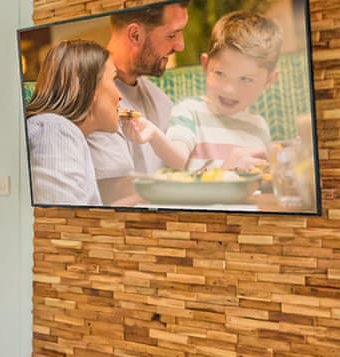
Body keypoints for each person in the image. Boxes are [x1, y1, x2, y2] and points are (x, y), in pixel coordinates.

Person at [130, 11, 282, 171]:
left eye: (246, 79)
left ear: (269, 81)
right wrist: (154, 135)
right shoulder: (189, 112)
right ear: (206, 65)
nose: (229, 90)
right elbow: (178, 161)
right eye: (220, 73)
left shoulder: (259, 126)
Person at [87, 2, 189, 180]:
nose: (181, 45)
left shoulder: (160, 99)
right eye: (172, 35)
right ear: (135, 35)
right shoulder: (90, 100)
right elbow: (113, 190)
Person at [25, 40, 123, 206]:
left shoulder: (59, 131)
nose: (119, 96)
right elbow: (61, 216)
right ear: (89, 87)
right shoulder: (54, 129)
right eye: (113, 79)